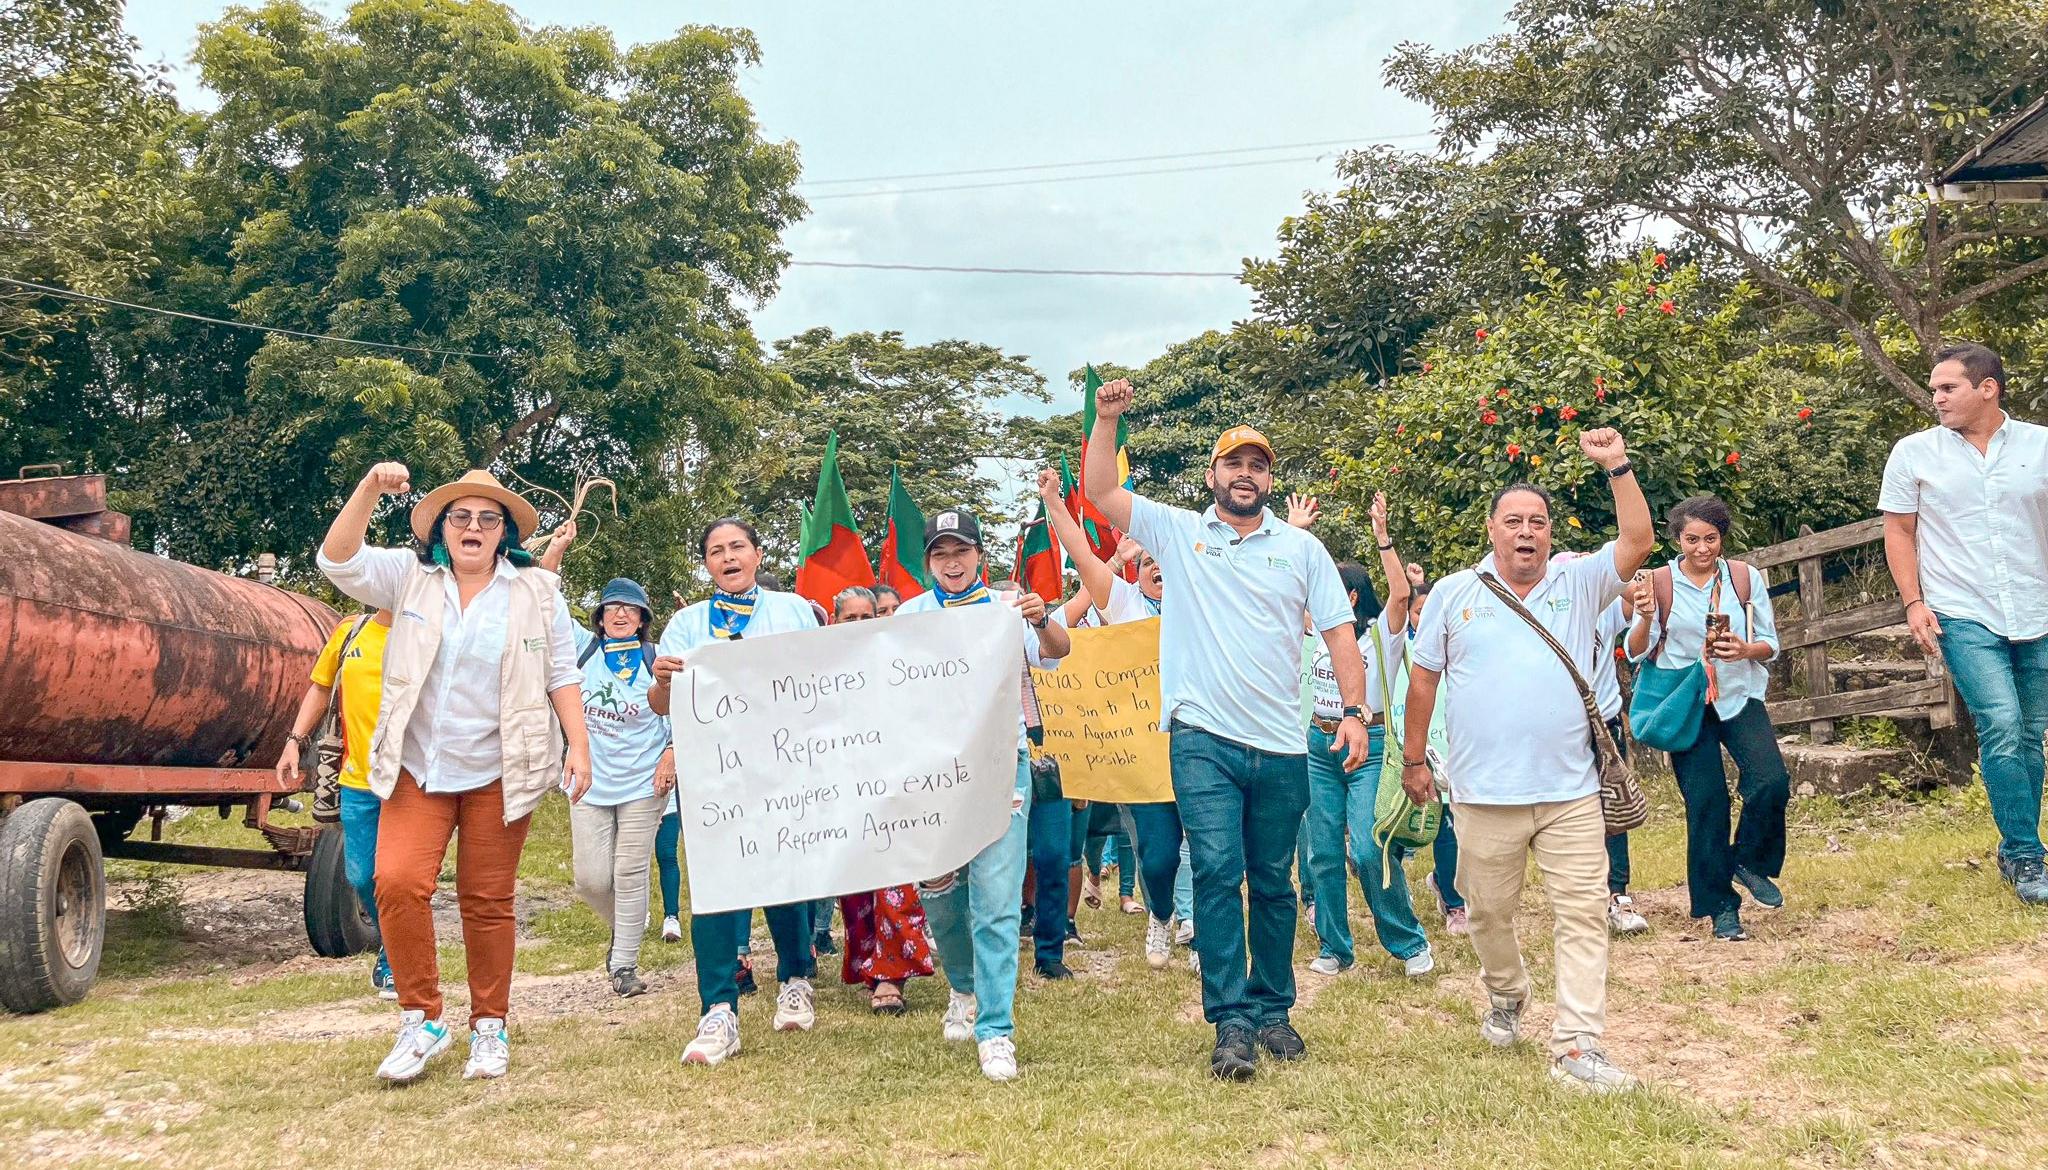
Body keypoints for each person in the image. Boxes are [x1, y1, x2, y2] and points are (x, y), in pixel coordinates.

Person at [1084, 382, 1367, 1082]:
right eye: (1233, 464)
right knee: (1215, 869)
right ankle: (1231, 1021)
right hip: (1201, 736)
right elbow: (1098, 492)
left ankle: (1274, 1010)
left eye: (1258, 465)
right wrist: (1108, 420)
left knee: (1273, 879)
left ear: (1270, 481)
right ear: (1212, 477)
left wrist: (1356, 713)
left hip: (1279, 742)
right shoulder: (1180, 532)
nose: (1246, 474)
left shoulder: (1302, 550)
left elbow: (1338, 634)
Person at [318, 464, 592, 1084]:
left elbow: (561, 674)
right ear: (442, 527)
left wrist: (579, 744)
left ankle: (489, 1026)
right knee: (395, 881)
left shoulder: (537, 592)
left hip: (501, 768)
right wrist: (366, 487)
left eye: (487, 519)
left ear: (505, 533)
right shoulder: (410, 578)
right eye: (461, 516)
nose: (473, 526)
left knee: (487, 900)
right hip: (419, 767)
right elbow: (337, 561)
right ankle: (422, 1017)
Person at [1402, 428, 1653, 1093]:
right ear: (1492, 529)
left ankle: (1578, 1045)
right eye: (1513, 521)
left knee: (1581, 911)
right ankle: (1508, 993)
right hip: (1484, 794)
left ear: (1549, 533)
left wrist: (1617, 467)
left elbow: (1636, 543)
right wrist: (1413, 760)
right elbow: (1423, 679)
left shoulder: (1581, 579)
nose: (1526, 532)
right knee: (1486, 913)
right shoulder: (1456, 594)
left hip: (1570, 792)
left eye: (1537, 522)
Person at [901, 506, 1070, 1082]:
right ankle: (963, 986)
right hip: (933, 774)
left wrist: (1041, 616)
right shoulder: (908, 616)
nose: (953, 563)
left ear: (980, 556)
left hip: (1004, 763)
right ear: (929, 561)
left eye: (962, 551)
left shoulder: (1008, 607)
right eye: (941, 553)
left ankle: (996, 1030)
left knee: (997, 894)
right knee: (939, 886)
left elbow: (1058, 648)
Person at [646, 518, 823, 1066]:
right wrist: (663, 681)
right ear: (706, 564)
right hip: (715, 777)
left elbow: (826, 679)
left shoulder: (794, 609)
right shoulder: (685, 623)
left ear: (757, 553)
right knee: (717, 888)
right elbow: (660, 705)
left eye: (737, 547)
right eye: (716, 550)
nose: (728, 557)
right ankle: (718, 1011)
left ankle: (795, 978)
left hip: (783, 770)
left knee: (784, 879)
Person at [1881, 342, 2048, 905]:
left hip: (2037, 607)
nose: (1937, 398)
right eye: (1934, 388)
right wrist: (1913, 602)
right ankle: (2027, 853)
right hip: (1962, 610)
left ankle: (2016, 848)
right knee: (2000, 722)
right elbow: (1900, 531)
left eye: (1947, 387)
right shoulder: (1913, 453)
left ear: (1987, 387)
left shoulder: (2041, 445)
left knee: (2029, 733)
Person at [1036, 471, 1198, 972]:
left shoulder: (1205, 603)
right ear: (1140, 572)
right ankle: (1162, 913)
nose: (1159, 569)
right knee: (1158, 854)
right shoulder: (1124, 603)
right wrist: (1055, 506)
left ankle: (1202, 935)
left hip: (1202, 748)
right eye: (1149, 562)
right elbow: (1084, 558)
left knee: (1207, 850)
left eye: (1165, 561)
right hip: (1142, 757)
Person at [1624, 496, 1787, 941]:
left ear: (1722, 538)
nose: (1702, 548)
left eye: (1710, 539)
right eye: (1692, 539)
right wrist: (1643, 617)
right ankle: (1721, 909)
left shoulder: (1744, 578)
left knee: (1772, 780)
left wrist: (1746, 649)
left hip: (1738, 692)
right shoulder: (1659, 583)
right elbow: (1636, 650)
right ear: (1677, 540)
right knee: (1707, 803)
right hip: (1687, 700)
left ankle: (1748, 860)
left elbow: (1770, 643)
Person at [1303, 493, 1435, 980]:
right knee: (1322, 851)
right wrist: (1298, 530)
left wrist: (1384, 538)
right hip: (1319, 747)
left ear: (1351, 597)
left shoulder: (1383, 635)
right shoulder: (1318, 633)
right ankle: (1335, 948)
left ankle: (1407, 941)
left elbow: (1401, 595)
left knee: (1367, 847)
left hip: (1370, 747)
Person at [827, 585, 936, 1013]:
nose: (858, 626)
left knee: (895, 880)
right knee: (856, 884)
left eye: (866, 618)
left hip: (894, 789)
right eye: (848, 619)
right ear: (834, 623)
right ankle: (865, 963)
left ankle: (891, 976)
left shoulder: (900, 663)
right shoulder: (814, 671)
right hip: (842, 790)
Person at [278, 607, 395, 999]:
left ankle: (397, 958)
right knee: (362, 875)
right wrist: (295, 741)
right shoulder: (351, 632)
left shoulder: (428, 627)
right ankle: (394, 942)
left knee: (402, 877)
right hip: (356, 779)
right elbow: (321, 686)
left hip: (410, 783)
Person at [567, 577, 674, 998]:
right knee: (591, 880)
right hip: (588, 778)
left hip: (644, 780)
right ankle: (630, 921)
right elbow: (545, 599)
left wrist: (673, 751)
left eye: (630, 608)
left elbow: (685, 707)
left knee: (630, 871)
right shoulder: (582, 648)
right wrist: (555, 551)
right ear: (599, 616)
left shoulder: (657, 657)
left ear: (643, 617)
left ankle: (624, 963)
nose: (621, 614)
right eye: (612, 607)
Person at [1557, 553, 1651, 937]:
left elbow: (1631, 593)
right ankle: (1576, 896)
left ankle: (1618, 895)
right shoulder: (1553, 609)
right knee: (1562, 811)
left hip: (1605, 722)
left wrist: (1641, 594)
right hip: (1559, 725)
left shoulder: (1607, 607)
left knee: (1613, 806)